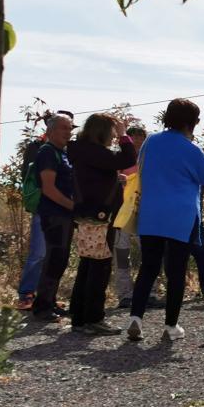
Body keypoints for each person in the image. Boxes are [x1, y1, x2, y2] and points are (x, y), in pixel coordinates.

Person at [125, 98, 204, 341]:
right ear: (192, 122)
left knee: (148, 268)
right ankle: (170, 326)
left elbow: (141, 169)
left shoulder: (150, 142)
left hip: (150, 214)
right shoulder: (190, 149)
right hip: (181, 217)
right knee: (176, 271)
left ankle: (135, 318)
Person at [66, 114, 137, 335]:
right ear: (103, 132)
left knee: (87, 264)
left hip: (85, 215)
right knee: (100, 266)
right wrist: (125, 136)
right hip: (100, 217)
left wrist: (115, 182)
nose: (113, 136)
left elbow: (95, 178)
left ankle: (78, 317)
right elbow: (128, 159)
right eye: (112, 132)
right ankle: (93, 318)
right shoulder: (95, 152)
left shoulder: (79, 150)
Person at [32, 113, 77, 322]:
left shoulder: (63, 153)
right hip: (54, 214)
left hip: (63, 215)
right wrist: (73, 207)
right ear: (50, 131)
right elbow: (49, 188)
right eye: (64, 128)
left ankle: (50, 302)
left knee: (60, 259)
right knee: (54, 259)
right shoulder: (48, 152)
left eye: (70, 128)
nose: (69, 132)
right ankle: (42, 307)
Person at [114, 125, 148, 309]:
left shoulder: (150, 160)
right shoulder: (120, 158)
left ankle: (148, 292)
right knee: (122, 254)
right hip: (123, 213)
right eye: (133, 136)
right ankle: (125, 294)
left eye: (140, 136)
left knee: (149, 255)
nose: (137, 139)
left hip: (145, 213)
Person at [15, 132, 48, 310]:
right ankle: (26, 294)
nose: (67, 131)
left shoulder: (65, 149)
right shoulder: (35, 147)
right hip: (41, 207)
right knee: (38, 253)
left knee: (50, 254)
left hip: (58, 209)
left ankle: (45, 296)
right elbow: (27, 175)